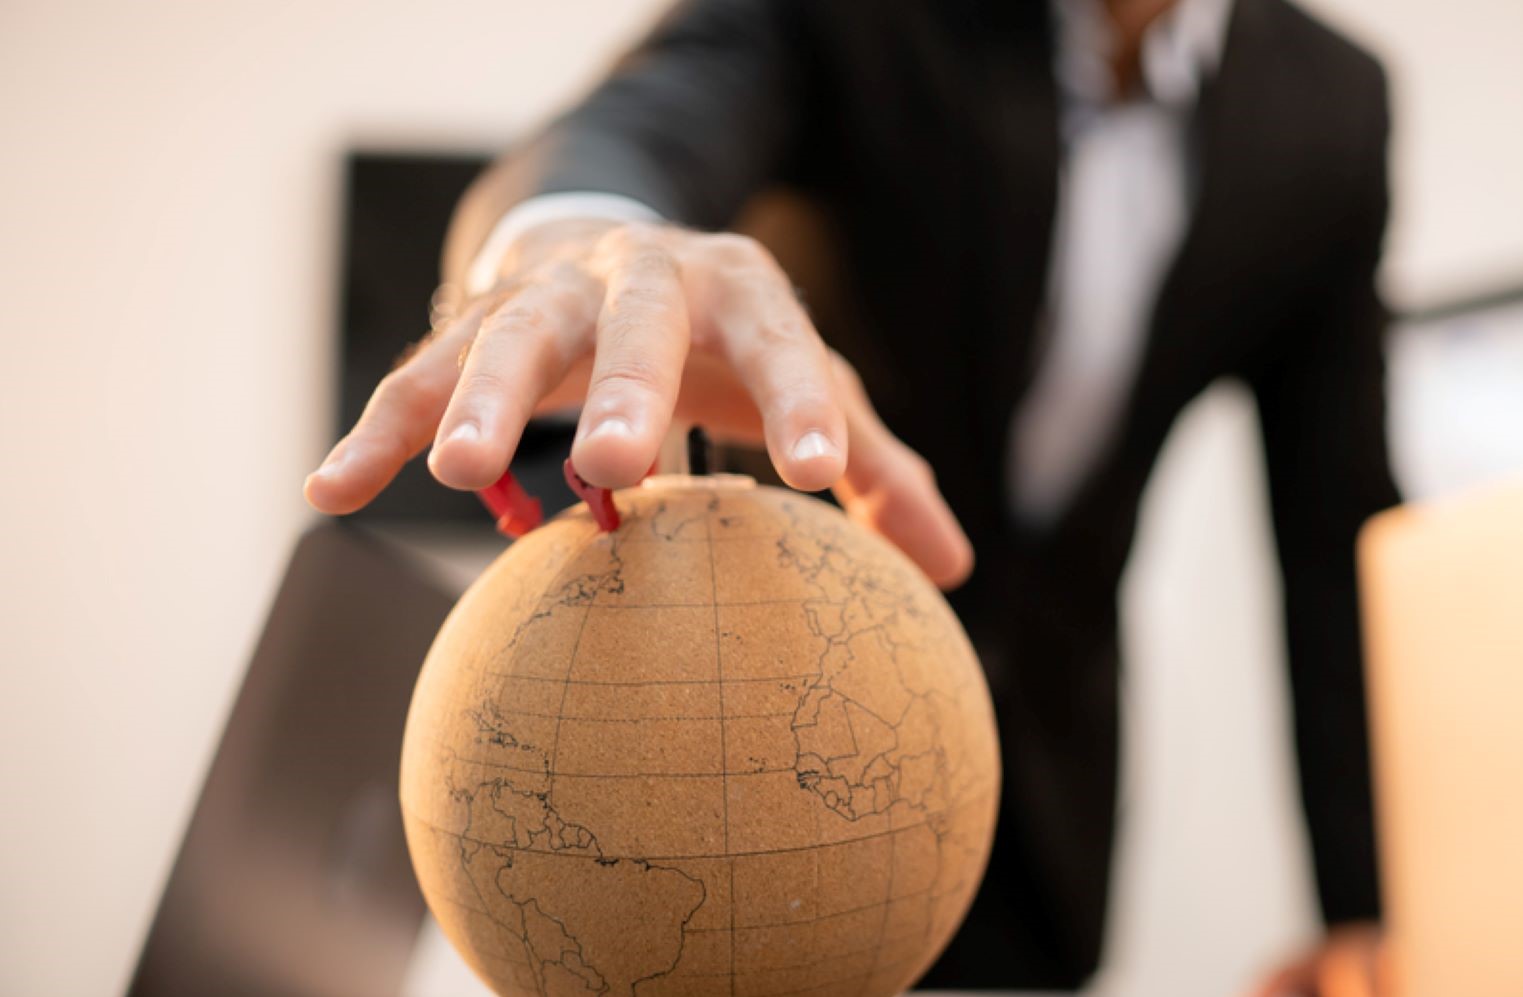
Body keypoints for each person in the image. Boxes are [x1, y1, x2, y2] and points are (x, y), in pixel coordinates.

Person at [305, 0, 1399, 992]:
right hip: (712, 791)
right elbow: (650, 113)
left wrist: (1375, 908)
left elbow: (1335, 538)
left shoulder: (1332, 108)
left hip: (1030, 819)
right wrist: (573, 238)